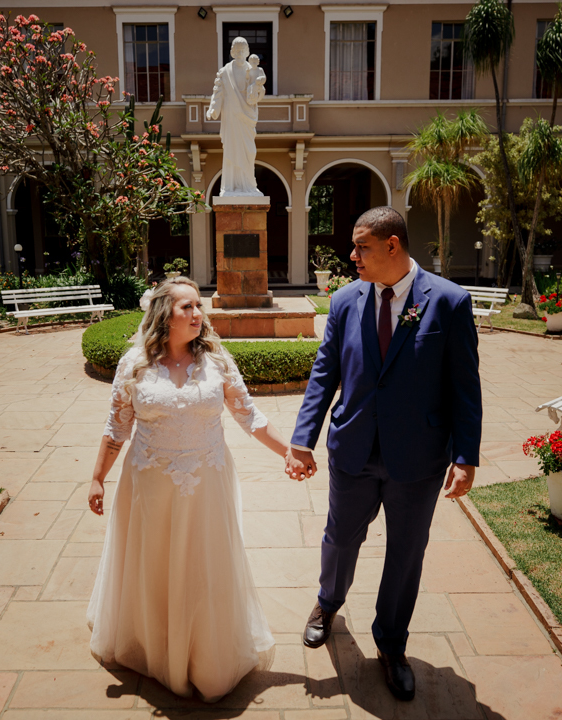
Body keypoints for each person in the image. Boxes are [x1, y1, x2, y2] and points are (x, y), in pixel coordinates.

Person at [285, 206, 482, 702]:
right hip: (352, 448)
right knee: (339, 537)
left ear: (392, 246)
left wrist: (466, 455)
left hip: (417, 458)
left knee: (406, 553)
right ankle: (327, 604)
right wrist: (302, 438)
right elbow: (324, 373)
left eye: (361, 247)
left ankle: (392, 644)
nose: (352, 256)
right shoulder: (346, 301)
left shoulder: (450, 302)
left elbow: (464, 387)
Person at [87, 276, 288, 702]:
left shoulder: (216, 361)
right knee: (155, 562)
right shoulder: (134, 364)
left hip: (205, 483)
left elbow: (250, 417)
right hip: (150, 485)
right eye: (187, 308)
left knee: (203, 563)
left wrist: (289, 453)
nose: (198, 314)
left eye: (199, 306)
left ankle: (202, 653)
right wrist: (97, 478)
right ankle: (154, 644)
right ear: (164, 315)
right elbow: (115, 429)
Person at [205, 37, 263, 196]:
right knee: (231, 150)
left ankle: (249, 185)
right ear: (231, 52)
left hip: (247, 117)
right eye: (236, 50)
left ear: (247, 52)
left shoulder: (251, 70)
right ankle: (230, 187)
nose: (239, 53)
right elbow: (218, 93)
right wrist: (213, 109)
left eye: (242, 50)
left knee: (249, 152)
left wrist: (258, 91)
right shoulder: (225, 72)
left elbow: (258, 92)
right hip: (231, 117)